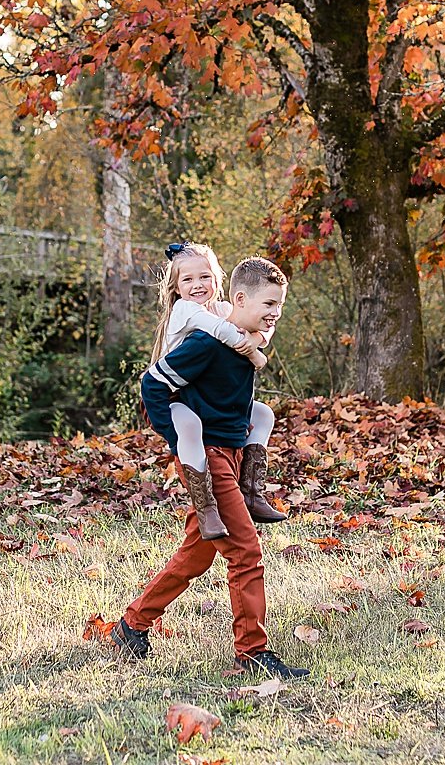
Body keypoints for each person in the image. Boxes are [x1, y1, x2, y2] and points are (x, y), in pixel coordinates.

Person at [111, 257, 308, 680]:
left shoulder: (245, 338)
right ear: (239, 298)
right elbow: (152, 385)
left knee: (197, 553)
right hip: (207, 456)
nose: (275, 313)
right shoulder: (204, 342)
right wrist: (179, 442)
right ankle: (252, 652)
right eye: (268, 303)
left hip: (234, 452)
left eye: (279, 305)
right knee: (245, 552)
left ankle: (132, 626)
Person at [149, 241, 286, 540]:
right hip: (177, 397)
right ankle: (206, 505)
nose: (198, 285)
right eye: (188, 279)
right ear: (176, 287)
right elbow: (226, 331)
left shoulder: (219, 307)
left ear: (217, 279)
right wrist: (255, 353)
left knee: (263, 414)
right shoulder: (186, 309)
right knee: (189, 426)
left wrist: (260, 333)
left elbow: (257, 321)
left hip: (203, 397)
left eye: (205, 277)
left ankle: (252, 489)